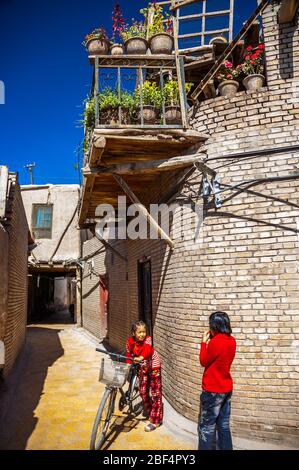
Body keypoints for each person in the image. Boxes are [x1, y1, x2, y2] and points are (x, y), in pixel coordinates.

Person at [198, 311, 236, 450]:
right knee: (224, 425)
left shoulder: (215, 342)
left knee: (207, 427)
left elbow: (203, 361)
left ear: (215, 326)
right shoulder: (232, 340)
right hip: (226, 388)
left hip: (213, 390)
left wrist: (203, 342)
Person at [126, 320, 163, 431]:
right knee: (142, 391)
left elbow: (147, 350)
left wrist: (141, 357)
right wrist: (128, 365)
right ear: (133, 333)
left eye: (144, 331)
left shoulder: (148, 340)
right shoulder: (129, 342)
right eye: (139, 332)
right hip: (143, 366)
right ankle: (152, 410)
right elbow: (129, 353)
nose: (142, 334)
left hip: (153, 365)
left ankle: (156, 420)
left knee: (155, 393)